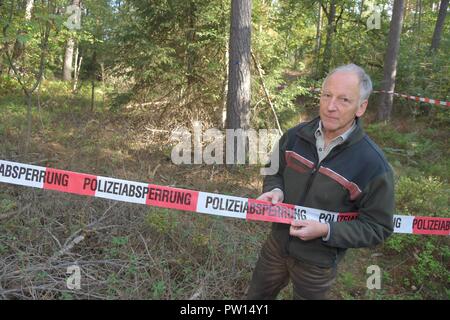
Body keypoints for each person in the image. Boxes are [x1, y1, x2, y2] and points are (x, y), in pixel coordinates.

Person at [246, 64, 395, 300]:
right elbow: (274, 170)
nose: (331, 106)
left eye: (344, 100)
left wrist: (327, 230)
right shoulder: (296, 135)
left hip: (318, 263)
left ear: (361, 107)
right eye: (327, 95)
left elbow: (379, 227)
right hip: (276, 245)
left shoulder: (373, 165)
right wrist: (274, 189)